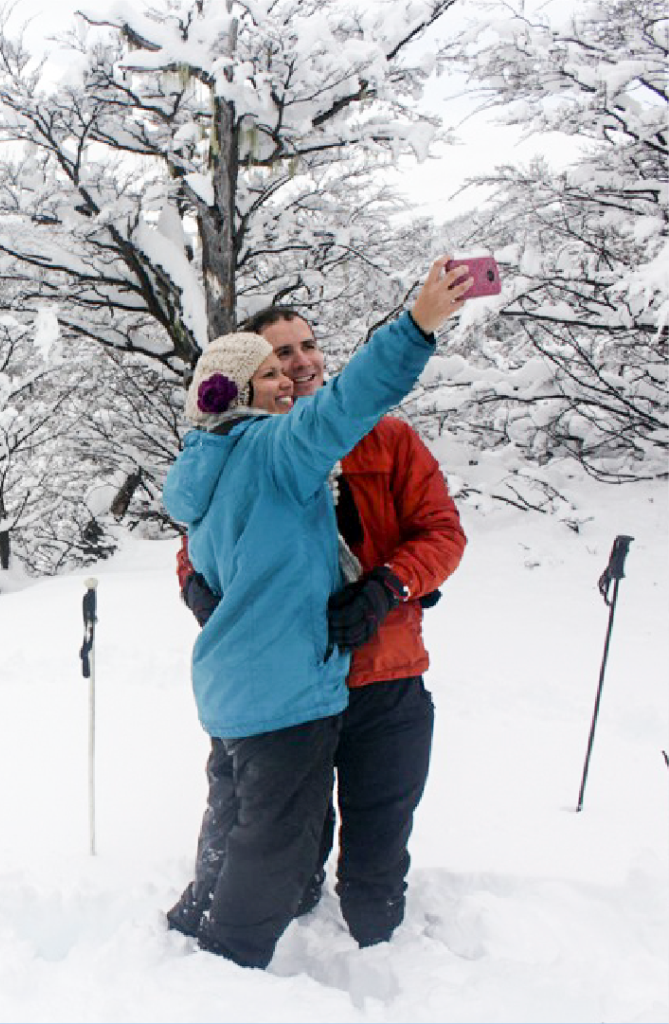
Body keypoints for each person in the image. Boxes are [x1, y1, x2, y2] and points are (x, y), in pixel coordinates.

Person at [161, 258, 470, 969]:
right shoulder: (261, 446)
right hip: (297, 679)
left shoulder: (380, 440)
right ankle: (235, 953)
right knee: (278, 836)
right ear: (246, 381)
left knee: (372, 834)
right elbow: (198, 547)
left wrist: (387, 588)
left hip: (377, 666)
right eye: (276, 358)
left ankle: (377, 957)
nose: (295, 366)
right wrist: (198, 590)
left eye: (303, 348)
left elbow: (443, 534)